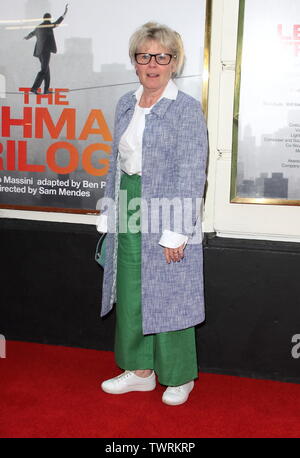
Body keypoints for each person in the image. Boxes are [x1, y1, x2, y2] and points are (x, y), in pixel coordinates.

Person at [97, 22, 208, 406]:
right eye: (144, 56)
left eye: (162, 56)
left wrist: (178, 231)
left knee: (170, 293)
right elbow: (116, 162)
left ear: (174, 63)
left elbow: (193, 173)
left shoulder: (186, 109)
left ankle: (179, 376)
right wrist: (109, 208)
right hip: (129, 199)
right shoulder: (126, 103)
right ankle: (139, 370)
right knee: (128, 288)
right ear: (135, 62)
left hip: (169, 205)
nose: (153, 64)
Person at [24, 4, 68, 94]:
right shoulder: (47, 25)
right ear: (48, 19)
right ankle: (34, 88)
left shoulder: (39, 27)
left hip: (39, 52)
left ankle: (46, 89)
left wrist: (26, 37)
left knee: (46, 70)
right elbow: (57, 23)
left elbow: (32, 34)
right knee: (44, 70)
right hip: (45, 51)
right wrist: (64, 14)